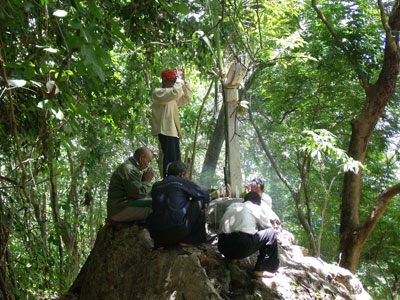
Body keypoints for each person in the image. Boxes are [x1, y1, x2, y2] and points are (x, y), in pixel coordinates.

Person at [147, 161, 209, 248]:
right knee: (200, 200)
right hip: (178, 231)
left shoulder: (156, 185)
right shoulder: (181, 181)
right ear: (181, 174)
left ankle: (161, 245)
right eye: (185, 175)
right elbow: (204, 194)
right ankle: (192, 240)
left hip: (156, 235)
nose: (187, 177)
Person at [218, 191, 280, 278]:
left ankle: (231, 258)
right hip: (241, 245)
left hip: (222, 246)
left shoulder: (232, 206)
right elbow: (267, 226)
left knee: (239, 233)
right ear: (258, 203)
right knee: (271, 233)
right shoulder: (254, 207)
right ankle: (262, 269)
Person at [151, 67, 192, 177]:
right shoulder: (159, 93)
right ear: (164, 81)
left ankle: (177, 181)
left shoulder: (172, 95)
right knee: (170, 162)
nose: (174, 84)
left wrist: (184, 82)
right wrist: (179, 81)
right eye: (172, 81)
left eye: (175, 81)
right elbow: (175, 93)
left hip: (173, 132)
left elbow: (187, 97)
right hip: (165, 131)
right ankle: (169, 182)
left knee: (176, 162)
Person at [107, 147, 155, 222]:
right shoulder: (129, 168)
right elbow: (138, 194)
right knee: (157, 204)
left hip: (120, 208)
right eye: (148, 161)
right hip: (119, 209)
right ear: (142, 158)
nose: (148, 165)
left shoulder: (132, 168)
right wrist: (146, 181)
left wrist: (143, 180)